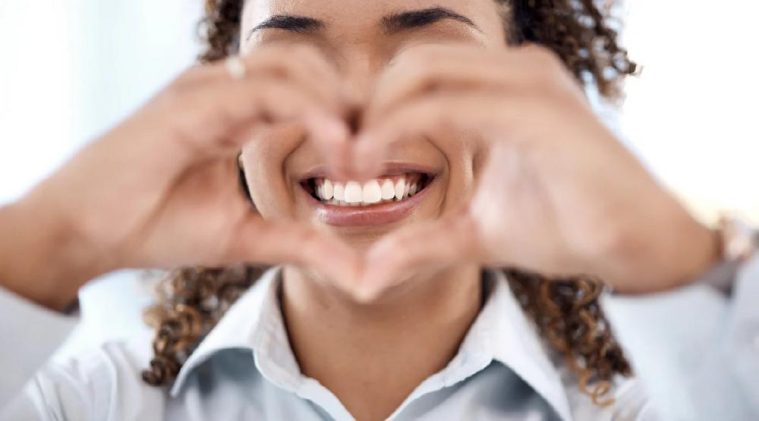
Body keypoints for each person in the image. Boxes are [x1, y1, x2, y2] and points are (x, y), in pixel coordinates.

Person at [0, 0, 756, 420]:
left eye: (432, 60)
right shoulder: (87, 406)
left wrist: (670, 258)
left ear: (531, 90)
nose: (356, 117)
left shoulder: (656, 406)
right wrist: (51, 239)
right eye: (290, 64)